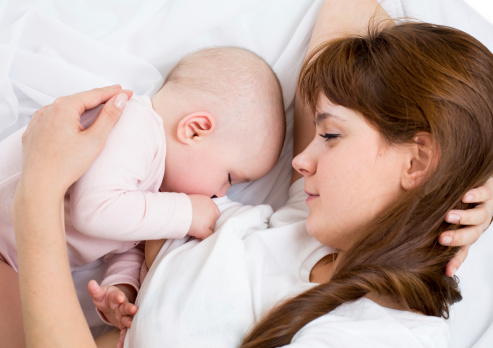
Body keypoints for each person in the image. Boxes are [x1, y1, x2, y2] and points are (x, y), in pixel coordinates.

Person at [10, 1, 493, 348]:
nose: (300, 161)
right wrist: (469, 172)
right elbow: (347, 10)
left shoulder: (380, 334)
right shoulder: (311, 224)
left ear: (414, 161)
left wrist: (39, 193)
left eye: (331, 137)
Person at [1, 47, 285, 344]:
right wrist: (184, 212)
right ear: (195, 130)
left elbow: (122, 242)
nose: (221, 194)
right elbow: (95, 209)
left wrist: (120, 289)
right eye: (229, 178)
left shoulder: (153, 186)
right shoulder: (135, 125)